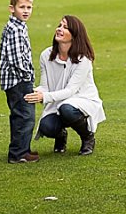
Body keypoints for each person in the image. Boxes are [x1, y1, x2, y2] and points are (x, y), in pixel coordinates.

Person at [25, 15, 105, 156]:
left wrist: (44, 97)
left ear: (74, 36)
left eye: (65, 27)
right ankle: (61, 135)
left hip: (81, 100)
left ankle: (88, 137)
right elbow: (45, 86)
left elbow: (71, 90)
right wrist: (31, 92)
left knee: (67, 109)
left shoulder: (83, 60)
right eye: (60, 25)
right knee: (46, 127)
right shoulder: (46, 55)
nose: (59, 29)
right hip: (58, 102)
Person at [0, 0, 38, 164]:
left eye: (29, 7)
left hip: (17, 80)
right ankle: (18, 153)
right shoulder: (14, 29)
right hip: (18, 80)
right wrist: (27, 75)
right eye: (22, 7)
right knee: (25, 116)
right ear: (12, 8)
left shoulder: (19, 26)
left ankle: (23, 149)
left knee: (20, 115)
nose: (26, 11)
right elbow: (16, 59)